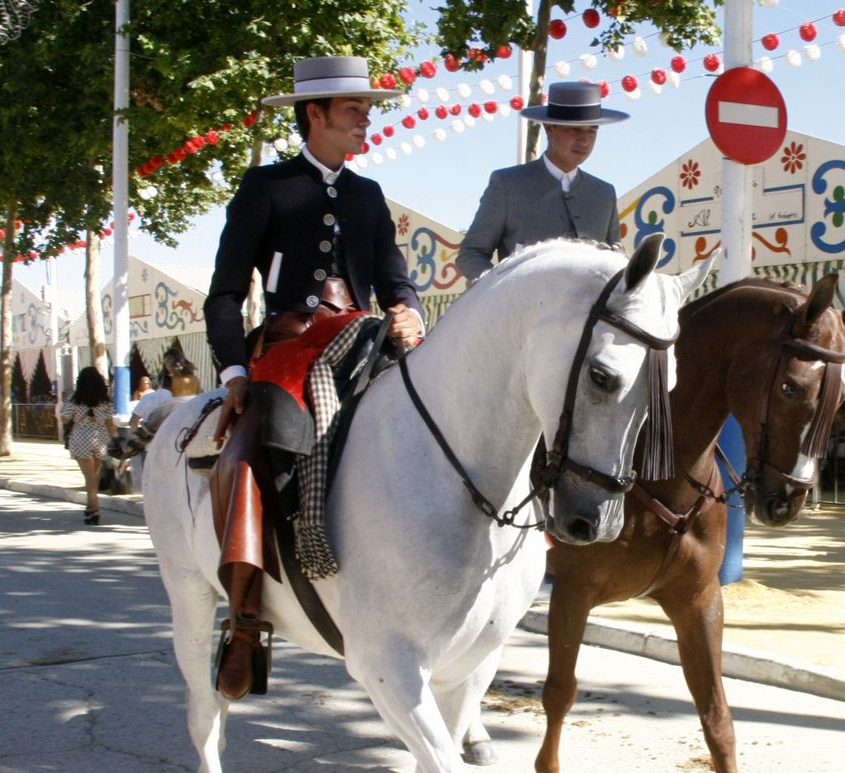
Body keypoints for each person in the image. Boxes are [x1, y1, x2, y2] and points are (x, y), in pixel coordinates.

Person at [203, 55, 424, 701]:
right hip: (289, 344)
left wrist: (406, 308)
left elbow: (395, 279)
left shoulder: (368, 195)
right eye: (354, 109)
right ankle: (245, 617)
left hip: (362, 338)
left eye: (366, 108)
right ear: (315, 114)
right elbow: (223, 293)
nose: (366, 119)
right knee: (257, 443)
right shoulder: (265, 187)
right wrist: (236, 366)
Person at [456, 81, 628, 283]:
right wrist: (495, 286)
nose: (584, 141)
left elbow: (616, 259)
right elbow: (471, 253)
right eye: (575, 130)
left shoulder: (604, 193)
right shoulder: (508, 185)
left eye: (592, 131)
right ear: (549, 128)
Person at [61, 367, 115, 526]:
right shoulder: (105, 401)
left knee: (89, 478)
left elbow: (65, 419)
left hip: (80, 437)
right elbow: (110, 423)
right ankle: (90, 505)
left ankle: (94, 510)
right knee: (94, 476)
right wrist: (116, 440)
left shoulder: (74, 399)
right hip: (100, 437)